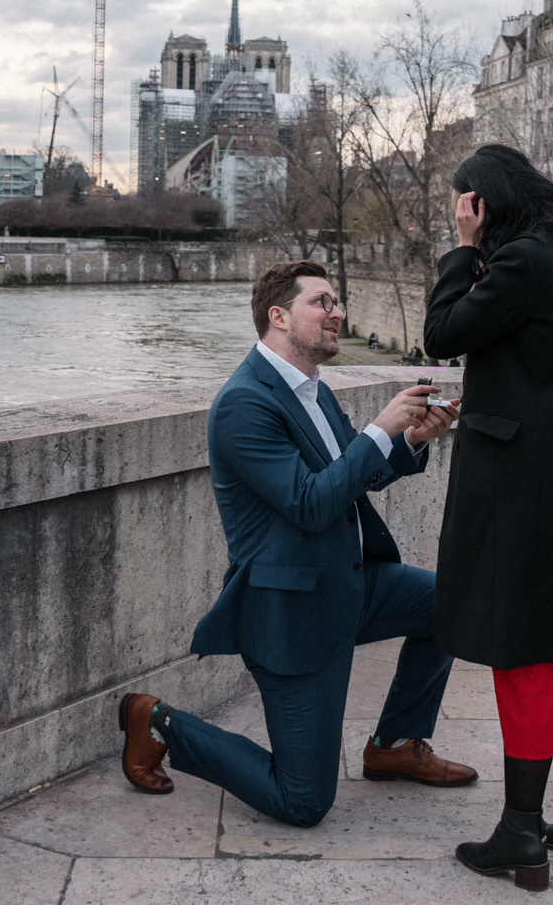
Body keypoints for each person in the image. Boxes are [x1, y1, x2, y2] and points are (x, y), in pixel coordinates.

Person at [118, 260, 478, 827]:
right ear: (278, 316)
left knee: (455, 604)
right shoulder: (244, 404)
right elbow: (311, 504)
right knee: (303, 801)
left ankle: (395, 743)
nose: (338, 312)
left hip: (352, 581)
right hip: (292, 609)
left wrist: (408, 440)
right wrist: (379, 429)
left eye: (337, 301)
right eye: (323, 302)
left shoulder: (312, 388)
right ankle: (158, 722)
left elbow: (354, 478)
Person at [425, 144, 553, 889]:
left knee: (526, 651)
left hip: (524, 489)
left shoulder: (523, 262)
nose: (460, 212)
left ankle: (521, 832)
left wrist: (462, 247)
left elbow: (442, 336)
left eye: (464, 202)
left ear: (483, 201)